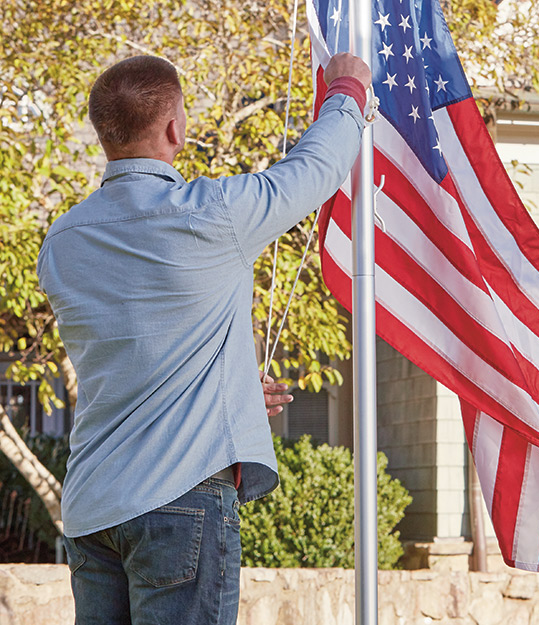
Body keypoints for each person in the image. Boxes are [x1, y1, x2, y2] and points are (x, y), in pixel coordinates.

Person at [36, 52, 371, 624]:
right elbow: (314, 171)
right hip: (180, 501)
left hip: (92, 510)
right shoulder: (208, 213)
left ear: (103, 133)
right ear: (174, 128)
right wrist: (347, 89)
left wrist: (230, 392)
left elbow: (133, 349)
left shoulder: (61, 243)